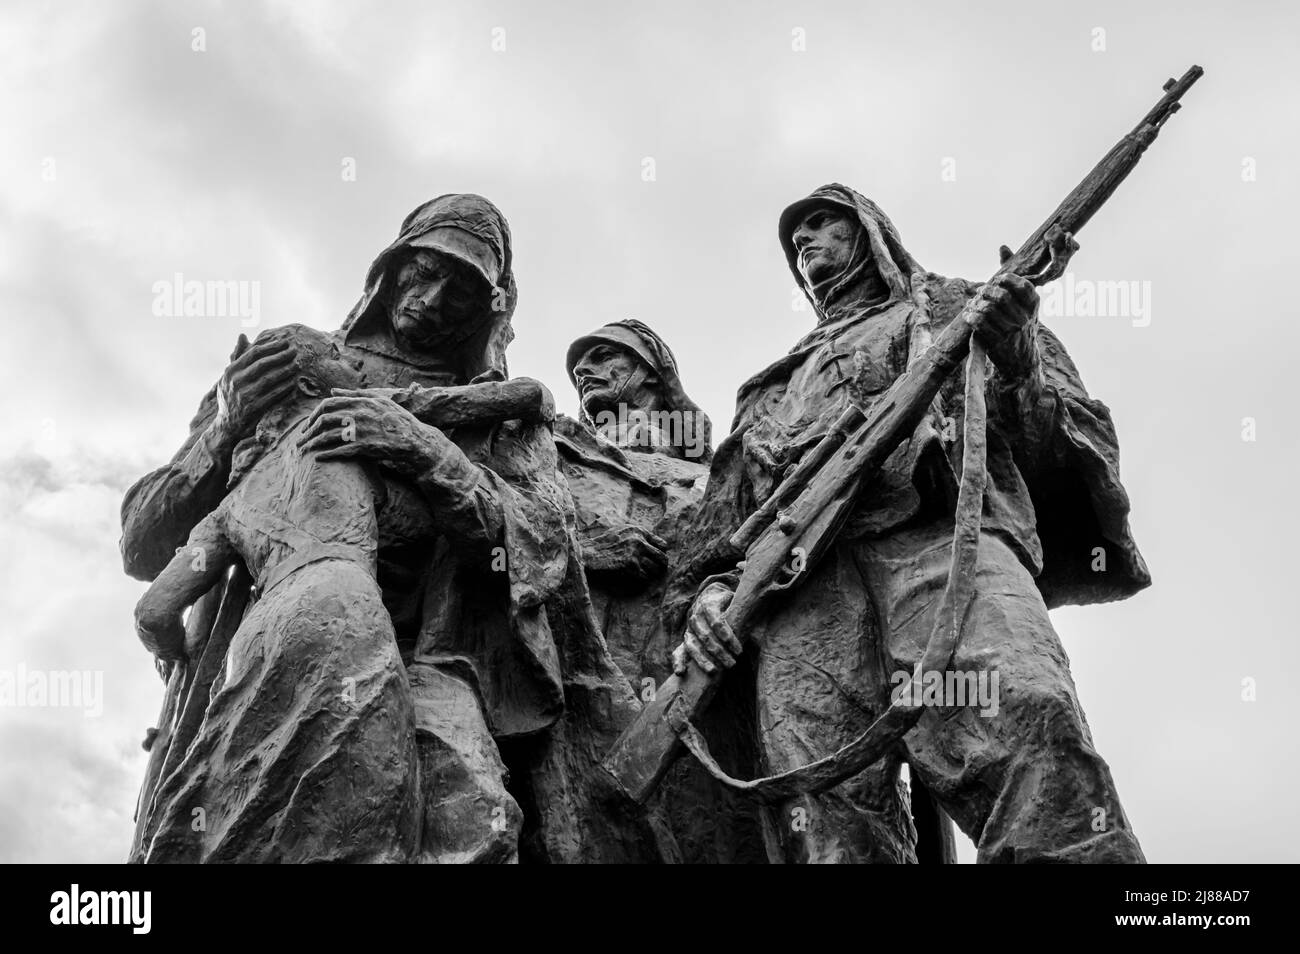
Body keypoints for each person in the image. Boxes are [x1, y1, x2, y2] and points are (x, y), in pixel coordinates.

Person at [668, 184, 1150, 864]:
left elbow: (1054, 435)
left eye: (822, 224)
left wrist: (1015, 351)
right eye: (795, 237)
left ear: (868, 231)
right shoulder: (772, 387)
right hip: (804, 599)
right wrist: (710, 597)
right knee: (821, 813)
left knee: (1028, 713)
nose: (805, 242)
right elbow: (719, 531)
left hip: (939, 541)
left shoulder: (959, 306)